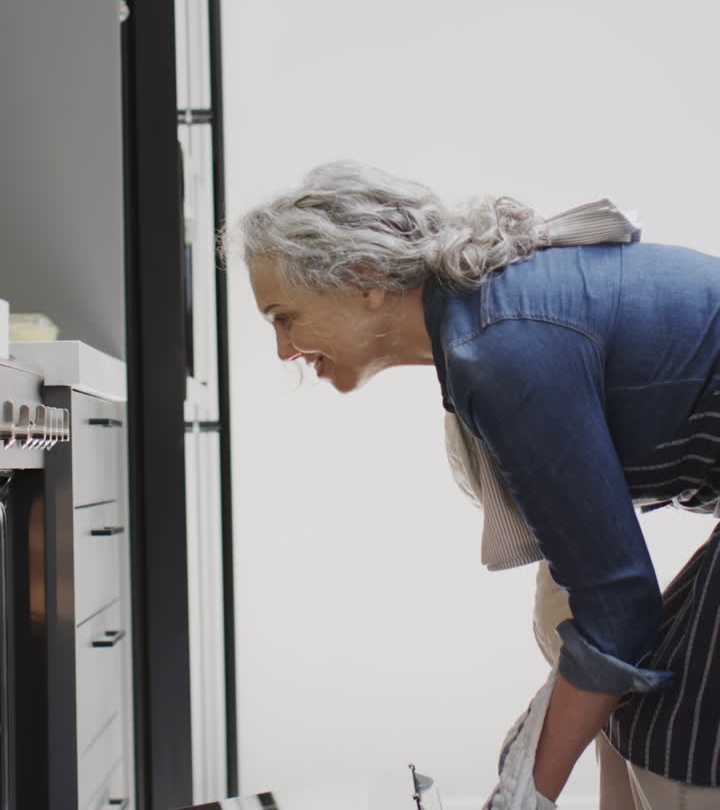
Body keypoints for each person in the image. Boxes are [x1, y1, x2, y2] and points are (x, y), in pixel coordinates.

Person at [225, 158, 720, 808]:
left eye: (283, 317)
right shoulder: (486, 314)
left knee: (678, 738)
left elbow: (618, 612)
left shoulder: (499, 344)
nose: (284, 351)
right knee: (632, 701)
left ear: (366, 280)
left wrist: (520, 793)